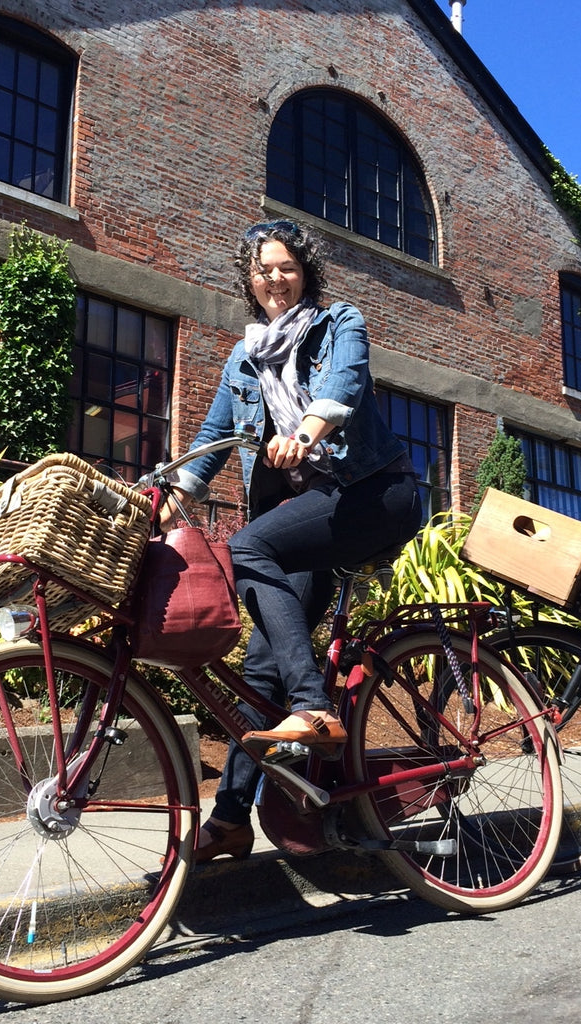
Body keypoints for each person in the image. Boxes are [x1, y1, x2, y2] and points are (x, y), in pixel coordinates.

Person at [161, 219, 423, 863]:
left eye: (285, 267)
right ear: (249, 283)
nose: (273, 278)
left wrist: (305, 431)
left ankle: (313, 708)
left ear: (303, 272)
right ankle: (230, 820)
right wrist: (166, 502)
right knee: (261, 669)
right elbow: (210, 444)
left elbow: (344, 387)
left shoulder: (339, 323)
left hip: (373, 493)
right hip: (312, 512)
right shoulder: (243, 358)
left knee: (248, 547)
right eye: (261, 270)